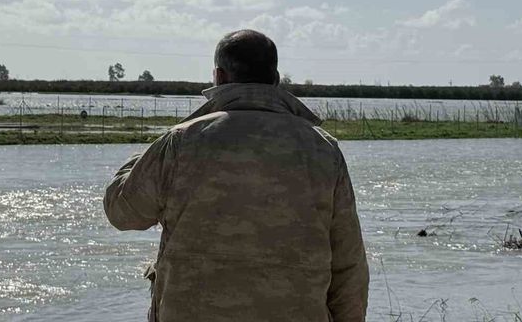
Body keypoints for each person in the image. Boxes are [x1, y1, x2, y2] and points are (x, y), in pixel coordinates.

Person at [103, 29, 369, 321]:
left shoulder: (182, 141)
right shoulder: (322, 148)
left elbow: (123, 213)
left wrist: (139, 159)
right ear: (275, 79)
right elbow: (348, 264)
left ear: (218, 76)